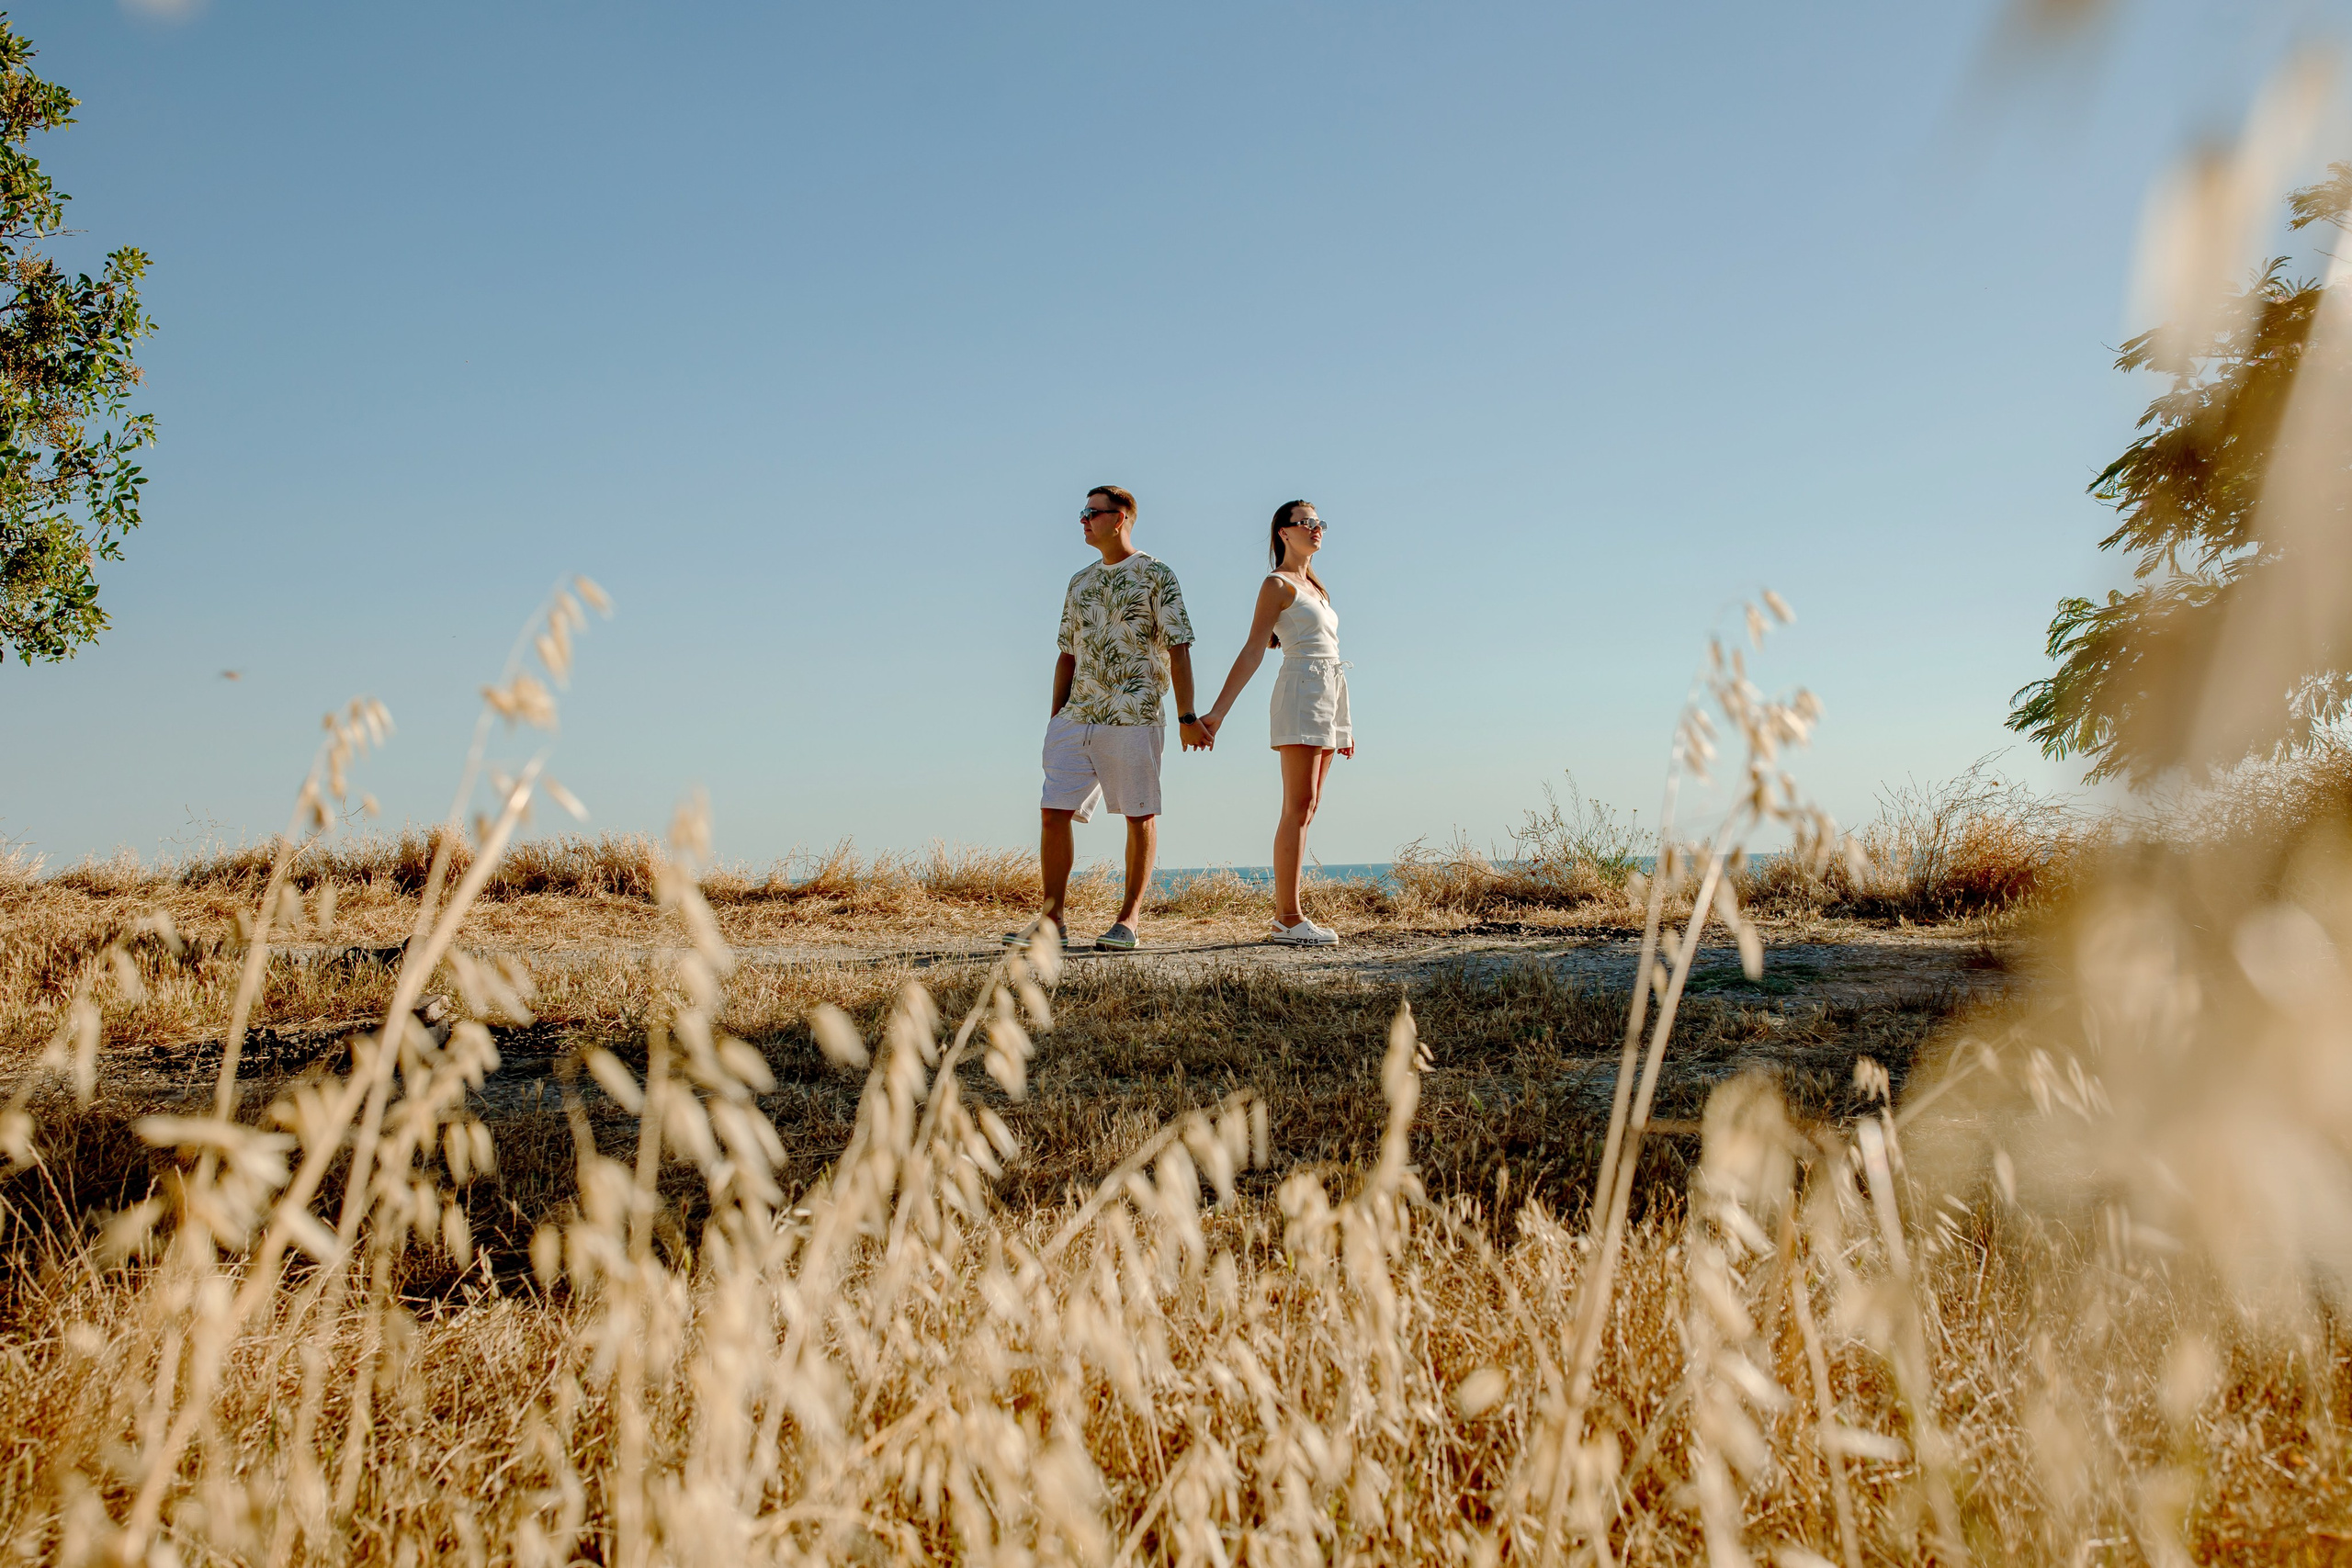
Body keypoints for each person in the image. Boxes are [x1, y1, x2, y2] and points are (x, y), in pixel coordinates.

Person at [1008, 485, 1212, 951]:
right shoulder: (1078, 582)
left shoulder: (1157, 574)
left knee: (1139, 815)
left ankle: (1128, 920)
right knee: (1052, 811)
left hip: (1134, 713)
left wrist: (1186, 715)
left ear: (1120, 518)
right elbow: (1066, 654)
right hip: (1075, 718)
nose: (1083, 520)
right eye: (1082, 512)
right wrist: (1055, 718)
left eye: (1091, 513)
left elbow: (1179, 649)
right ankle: (1051, 921)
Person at [1200, 499, 1352, 946]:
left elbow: (1331, 651)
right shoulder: (1277, 584)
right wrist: (1217, 714)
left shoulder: (1316, 586)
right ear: (1283, 532)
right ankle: (1288, 917)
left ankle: (1291, 916)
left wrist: (1345, 724)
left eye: (1319, 522)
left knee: (1309, 807)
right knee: (1297, 806)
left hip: (1329, 695)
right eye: (1305, 523)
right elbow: (1252, 650)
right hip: (1301, 692)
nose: (1316, 528)